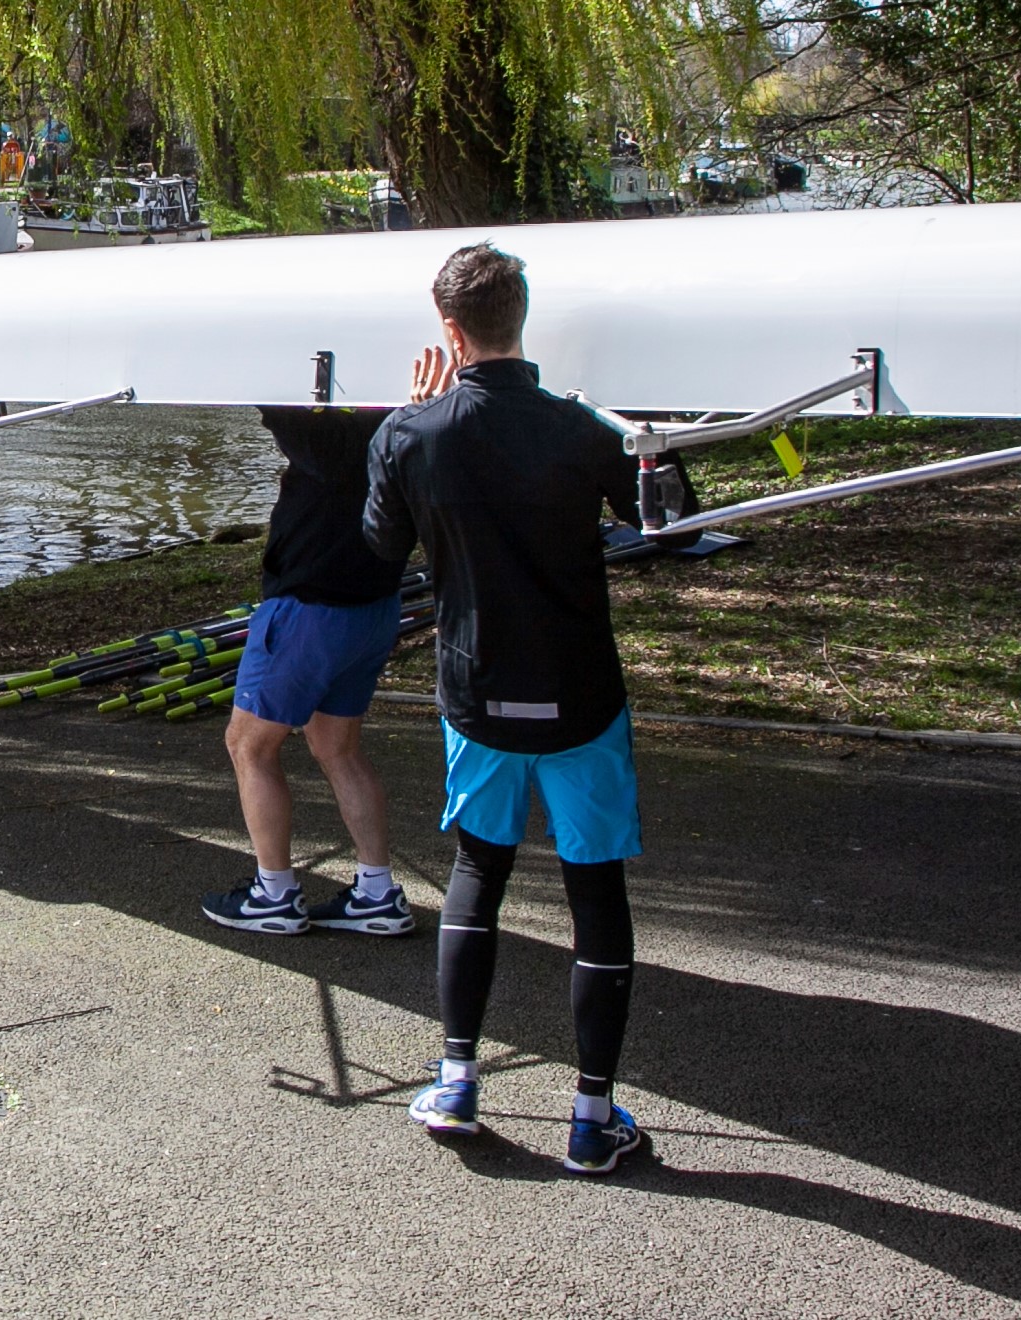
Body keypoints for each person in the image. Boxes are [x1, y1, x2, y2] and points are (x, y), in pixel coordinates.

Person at [361, 242, 647, 1176]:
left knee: (477, 871)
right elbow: (661, 516)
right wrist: (642, 441)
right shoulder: (586, 430)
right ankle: (591, 1116)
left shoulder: (411, 434)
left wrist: (408, 416)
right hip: (581, 697)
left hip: (476, 693)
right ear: (519, 317)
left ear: (448, 330)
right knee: (594, 891)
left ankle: (454, 1081)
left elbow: (379, 546)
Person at [200, 405, 413, 938]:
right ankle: (377, 893)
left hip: (310, 610)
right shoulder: (400, 422)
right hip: (373, 606)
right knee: (336, 747)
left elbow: (272, 392)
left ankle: (273, 895)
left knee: (249, 746)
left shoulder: (327, 436)